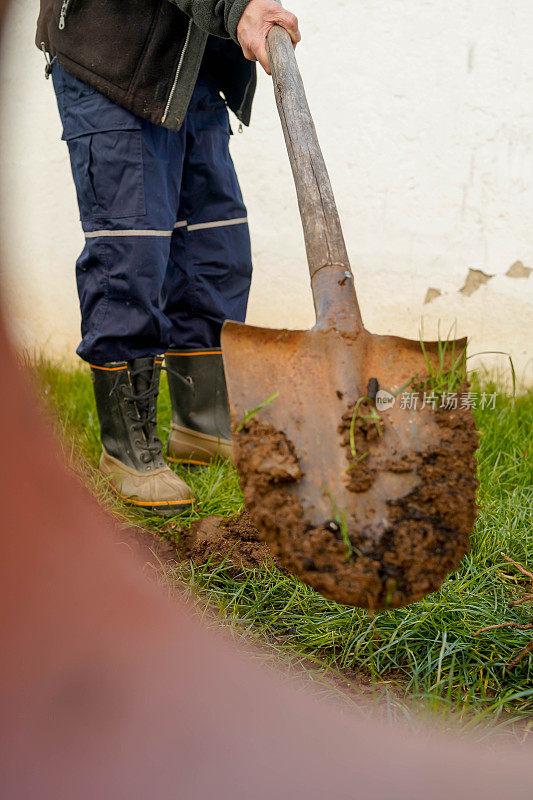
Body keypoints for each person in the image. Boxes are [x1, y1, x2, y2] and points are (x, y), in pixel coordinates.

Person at [36, 0, 300, 514]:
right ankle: (128, 452)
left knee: (214, 247)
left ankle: (204, 424)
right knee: (131, 254)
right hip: (113, 52)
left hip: (194, 61)